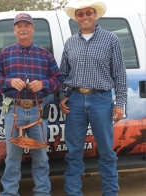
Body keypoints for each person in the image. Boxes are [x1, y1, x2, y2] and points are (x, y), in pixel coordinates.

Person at [59, 0, 127, 196]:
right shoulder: (70, 42)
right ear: (76, 18)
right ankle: (73, 193)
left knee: (106, 151)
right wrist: (63, 95)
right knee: (73, 151)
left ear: (95, 15)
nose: (85, 17)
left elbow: (119, 74)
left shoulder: (111, 39)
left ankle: (110, 193)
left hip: (102, 100)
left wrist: (120, 103)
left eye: (88, 13)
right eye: (80, 14)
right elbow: (64, 73)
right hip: (76, 100)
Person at [0, 13, 61, 196]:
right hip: (14, 111)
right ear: (14, 30)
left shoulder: (45, 55)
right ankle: (10, 193)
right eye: (19, 26)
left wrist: (43, 84)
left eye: (26, 25)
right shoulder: (4, 54)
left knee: (41, 157)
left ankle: (42, 192)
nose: (23, 29)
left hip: (38, 111)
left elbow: (58, 81)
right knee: (13, 158)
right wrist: (9, 82)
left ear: (32, 29)